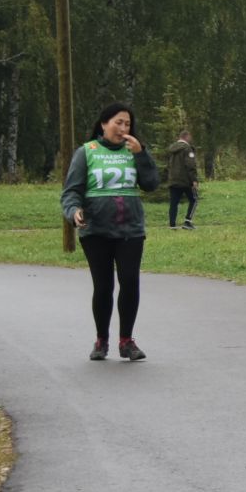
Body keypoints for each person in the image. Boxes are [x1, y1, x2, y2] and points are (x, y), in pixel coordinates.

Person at [60, 103, 158, 361]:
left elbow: (151, 184)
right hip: (96, 230)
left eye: (127, 124)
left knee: (130, 281)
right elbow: (71, 191)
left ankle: (126, 341)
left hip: (130, 228)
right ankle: (101, 340)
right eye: (118, 122)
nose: (124, 128)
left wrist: (142, 155)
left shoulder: (134, 151)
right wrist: (73, 211)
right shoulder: (86, 152)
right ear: (104, 124)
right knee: (103, 286)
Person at [166, 128, 199, 229]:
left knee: (173, 203)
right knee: (194, 200)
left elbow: (168, 165)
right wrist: (194, 180)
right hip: (185, 181)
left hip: (173, 180)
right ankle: (188, 221)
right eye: (190, 137)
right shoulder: (187, 149)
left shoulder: (171, 149)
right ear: (187, 137)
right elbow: (190, 165)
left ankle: (172, 225)